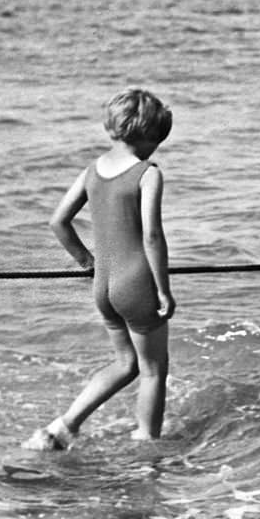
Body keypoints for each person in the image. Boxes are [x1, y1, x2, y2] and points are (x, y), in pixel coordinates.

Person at [23, 88, 175, 450]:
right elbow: (152, 236)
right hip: (136, 283)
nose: (157, 148)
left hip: (104, 285)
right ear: (148, 135)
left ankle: (62, 428)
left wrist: (88, 263)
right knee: (153, 369)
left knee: (126, 363)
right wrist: (164, 289)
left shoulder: (92, 172)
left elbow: (58, 222)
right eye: (158, 139)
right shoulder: (147, 173)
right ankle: (147, 445)